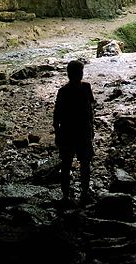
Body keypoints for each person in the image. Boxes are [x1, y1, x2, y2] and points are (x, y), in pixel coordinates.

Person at [53, 58, 95, 202]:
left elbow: (56, 115)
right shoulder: (86, 88)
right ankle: (84, 193)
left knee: (67, 164)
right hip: (82, 131)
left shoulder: (63, 91)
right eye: (80, 71)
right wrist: (92, 128)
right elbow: (90, 111)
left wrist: (57, 134)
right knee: (84, 164)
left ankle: (66, 196)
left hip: (68, 132)